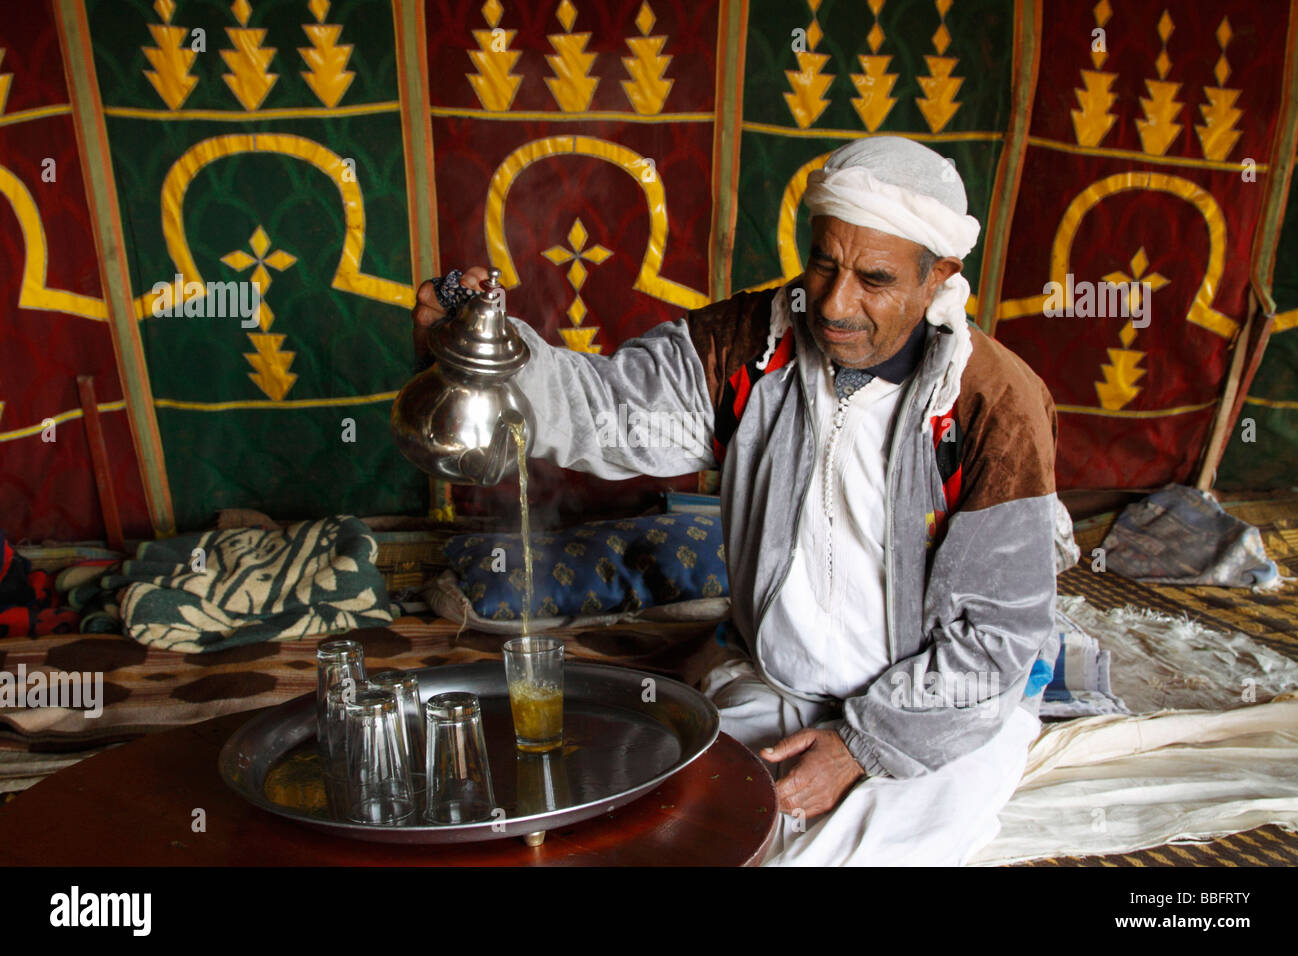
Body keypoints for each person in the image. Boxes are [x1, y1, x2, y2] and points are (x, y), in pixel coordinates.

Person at [412, 136, 1061, 866]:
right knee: (671, 834)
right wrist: (491, 348)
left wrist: (858, 747)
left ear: (937, 276)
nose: (835, 303)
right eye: (824, 263)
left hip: (938, 715)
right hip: (778, 682)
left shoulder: (991, 403)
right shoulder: (752, 348)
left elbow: (995, 639)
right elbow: (606, 411)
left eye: (873, 279)